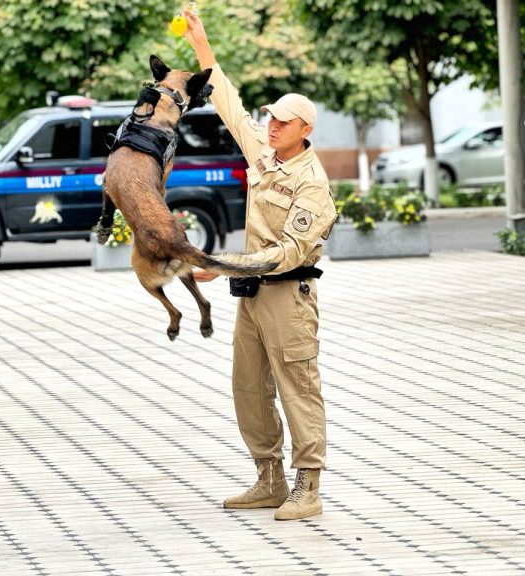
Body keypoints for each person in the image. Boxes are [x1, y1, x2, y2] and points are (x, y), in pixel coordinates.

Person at [184, 10, 337, 521]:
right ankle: (268, 479)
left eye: (283, 122)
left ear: (306, 129)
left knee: (298, 388)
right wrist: (201, 43)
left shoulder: (312, 185)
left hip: (287, 296)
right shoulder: (265, 157)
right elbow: (226, 100)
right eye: (270, 119)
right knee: (248, 387)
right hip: (251, 296)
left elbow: (286, 254)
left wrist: (222, 264)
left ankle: (307, 487)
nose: (271, 127)